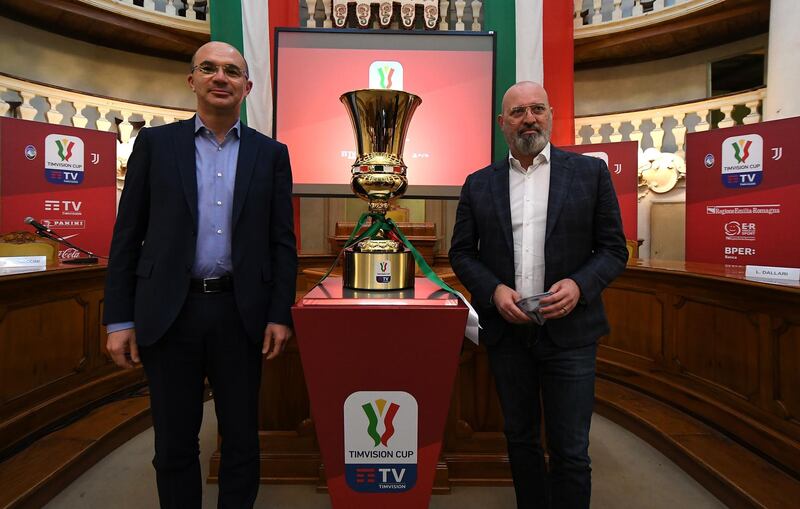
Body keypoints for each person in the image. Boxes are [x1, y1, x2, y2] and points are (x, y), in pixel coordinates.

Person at [103, 41, 297, 508]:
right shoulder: (154, 145)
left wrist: (279, 313)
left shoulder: (271, 154)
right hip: (170, 313)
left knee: (241, 443)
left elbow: (282, 242)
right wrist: (118, 319)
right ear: (192, 80)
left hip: (240, 313)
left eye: (232, 71)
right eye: (208, 68)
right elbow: (127, 236)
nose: (220, 77)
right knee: (173, 445)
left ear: (246, 88)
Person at [449, 81, 628, 509]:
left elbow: (613, 250)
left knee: (570, 449)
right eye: (517, 112)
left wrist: (580, 285)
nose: (528, 118)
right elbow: (461, 253)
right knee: (522, 440)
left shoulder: (589, 173)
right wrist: (493, 291)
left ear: (551, 114)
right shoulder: (478, 184)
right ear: (501, 123)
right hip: (509, 337)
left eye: (537, 109)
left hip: (572, 334)